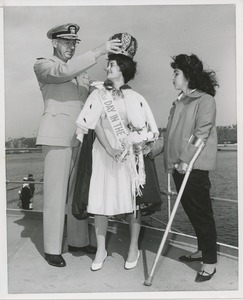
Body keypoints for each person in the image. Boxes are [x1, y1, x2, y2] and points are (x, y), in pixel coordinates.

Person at [34, 23, 122, 267]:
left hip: (80, 137)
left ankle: (78, 240)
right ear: (54, 42)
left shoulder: (82, 74)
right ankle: (52, 248)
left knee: (77, 193)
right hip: (56, 136)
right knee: (55, 195)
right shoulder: (44, 65)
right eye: (66, 42)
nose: (71, 47)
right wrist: (98, 51)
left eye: (74, 43)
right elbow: (64, 71)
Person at [75, 33, 162, 271]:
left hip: (127, 156)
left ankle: (133, 247)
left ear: (122, 68)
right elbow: (97, 123)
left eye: (111, 64)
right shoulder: (98, 94)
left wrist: (130, 144)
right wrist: (110, 148)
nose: (107, 67)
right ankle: (101, 249)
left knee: (133, 202)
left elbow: (144, 129)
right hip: (103, 153)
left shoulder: (136, 98)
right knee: (99, 201)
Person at [163, 53, 219, 282]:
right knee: (192, 212)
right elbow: (170, 136)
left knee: (202, 214)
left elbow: (201, 134)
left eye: (176, 73)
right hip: (179, 167)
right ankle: (201, 250)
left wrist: (186, 159)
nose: (173, 77)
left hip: (193, 168)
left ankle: (210, 262)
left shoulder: (205, 100)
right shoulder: (178, 102)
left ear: (188, 76)